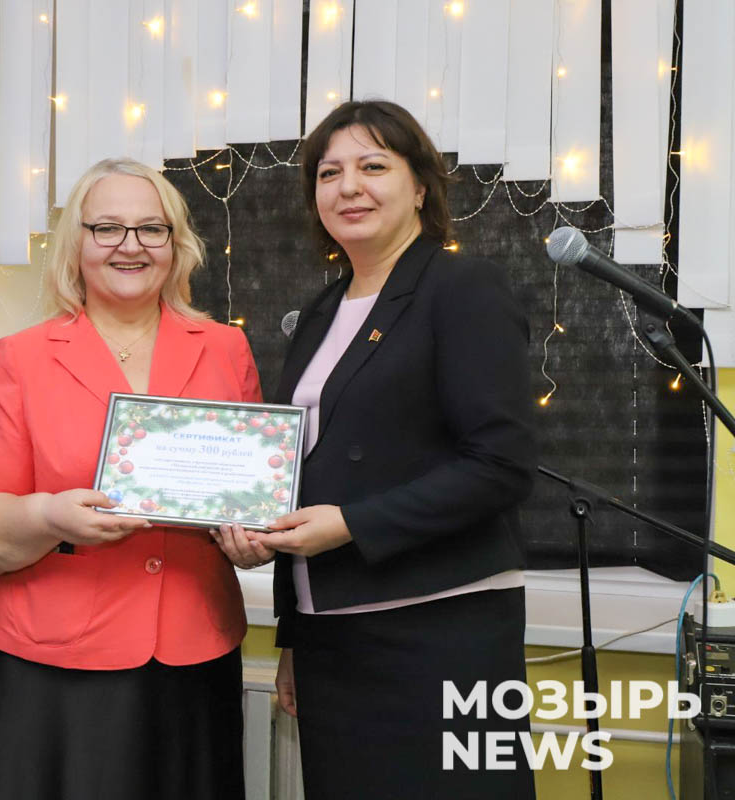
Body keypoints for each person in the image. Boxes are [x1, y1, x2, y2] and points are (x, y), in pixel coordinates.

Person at [212, 100, 537, 798]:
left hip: (439, 628)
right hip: (331, 639)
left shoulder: (462, 288)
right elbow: (310, 469)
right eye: (329, 173)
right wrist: (293, 631)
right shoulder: (320, 311)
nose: (348, 187)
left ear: (420, 186)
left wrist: (352, 525)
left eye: (373, 166)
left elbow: (501, 465)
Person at [0, 157, 261, 800]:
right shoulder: (25, 357)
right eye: (108, 228)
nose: (130, 245)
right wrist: (47, 517)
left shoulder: (226, 349)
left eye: (151, 229)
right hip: (57, 664)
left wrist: (252, 537)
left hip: (194, 652)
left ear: (176, 244)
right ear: (76, 244)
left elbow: (247, 494)